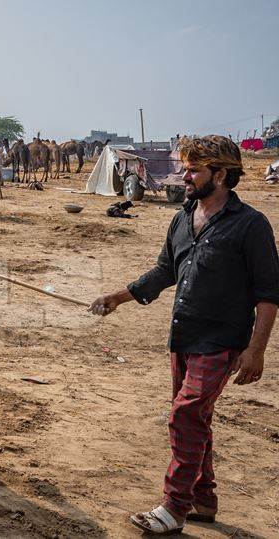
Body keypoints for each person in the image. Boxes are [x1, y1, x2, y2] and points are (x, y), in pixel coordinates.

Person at [89, 135, 279, 534]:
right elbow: (165, 272)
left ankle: (174, 507)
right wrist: (118, 297)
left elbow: (268, 295)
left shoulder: (250, 225)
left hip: (222, 341)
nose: (184, 176)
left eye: (193, 169)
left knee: (185, 414)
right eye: (185, 167)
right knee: (197, 419)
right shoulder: (182, 217)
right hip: (183, 336)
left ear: (222, 174)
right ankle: (204, 498)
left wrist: (256, 350)